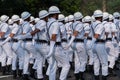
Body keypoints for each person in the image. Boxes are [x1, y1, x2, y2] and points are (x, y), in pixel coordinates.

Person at [46, 6, 70, 80]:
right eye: (57, 14)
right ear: (55, 14)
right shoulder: (56, 23)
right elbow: (53, 36)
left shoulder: (47, 23)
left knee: (52, 67)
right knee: (66, 65)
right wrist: (51, 49)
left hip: (49, 46)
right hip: (55, 47)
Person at [89, 10, 108, 80]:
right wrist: (91, 44)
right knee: (104, 63)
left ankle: (96, 77)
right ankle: (104, 78)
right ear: (101, 17)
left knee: (96, 62)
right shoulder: (100, 25)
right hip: (100, 44)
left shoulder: (92, 24)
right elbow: (97, 35)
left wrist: (91, 45)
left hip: (94, 44)